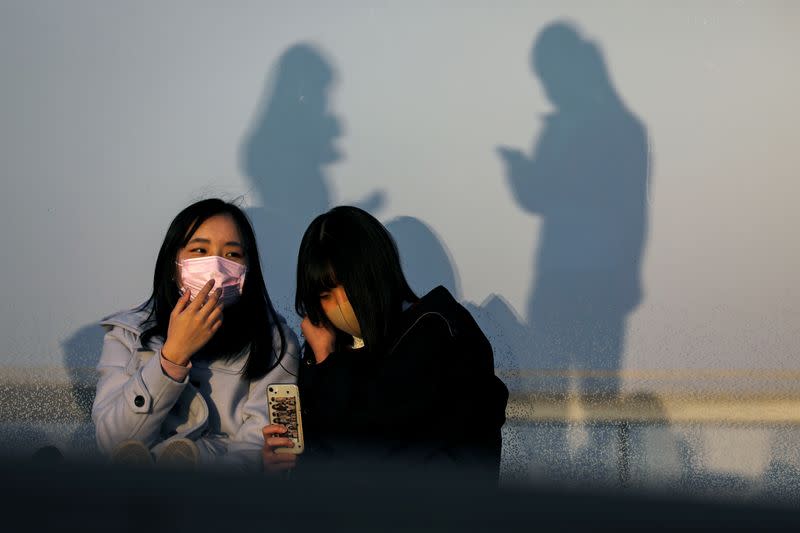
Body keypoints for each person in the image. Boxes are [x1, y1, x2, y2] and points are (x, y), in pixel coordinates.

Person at [262, 206, 509, 482]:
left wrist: (329, 365)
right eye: (326, 294)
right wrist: (287, 462)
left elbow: (374, 447)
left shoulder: (436, 331)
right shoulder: (328, 349)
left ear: (376, 270)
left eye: (348, 283)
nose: (341, 302)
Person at [92, 198, 299, 470]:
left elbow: (263, 446)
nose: (215, 265)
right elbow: (113, 443)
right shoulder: (128, 335)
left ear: (248, 270)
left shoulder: (275, 345)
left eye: (233, 255)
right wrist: (173, 356)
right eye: (200, 250)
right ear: (173, 263)